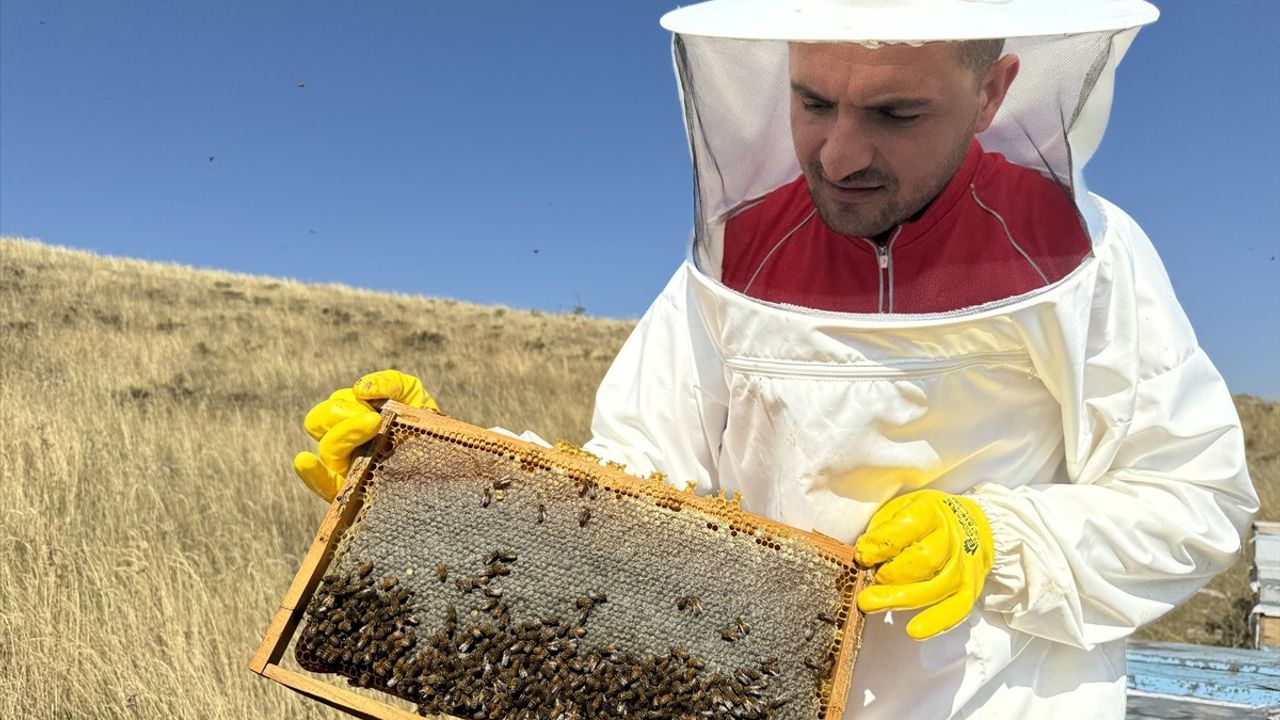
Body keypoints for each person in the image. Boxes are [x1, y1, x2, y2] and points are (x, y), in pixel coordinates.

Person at [293, 1, 1259, 717]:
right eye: (812, 101)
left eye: (896, 114)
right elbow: (637, 484)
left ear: (992, 91)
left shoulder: (1080, 255)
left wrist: (995, 542)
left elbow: (1197, 501)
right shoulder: (737, 254)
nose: (838, 156)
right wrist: (436, 481)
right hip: (742, 692)